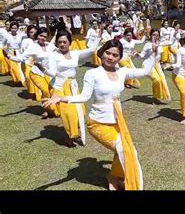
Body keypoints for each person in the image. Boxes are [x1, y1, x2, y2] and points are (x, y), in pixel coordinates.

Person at [43, 39, 158, 190]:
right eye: (108, 53)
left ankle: (113, 177)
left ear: (120, 57)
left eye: (115, 55)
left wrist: (154, 53)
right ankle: (127, 183)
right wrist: (62, 98)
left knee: (127, 150)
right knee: (124, 149)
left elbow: (145, 71)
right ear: (102, 53)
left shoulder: (122, 72)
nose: (110, 57)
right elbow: (84, 97)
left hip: (117, 122)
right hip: (98, 123)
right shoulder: (92, 73)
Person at [41, 29, 100, 146]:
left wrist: (99, 36)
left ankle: (69, 137)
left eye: (64, 42)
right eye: (59, 42)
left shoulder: (75, 53)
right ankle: (74, 135)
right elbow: (52, 73)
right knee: (69, 112)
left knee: (80, 110)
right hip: (58, 87)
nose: (62, 44)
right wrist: (43, 69)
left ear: (70, 42)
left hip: (72, 86)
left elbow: (91, 50)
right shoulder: (54, 55)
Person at [7, 27, 59, 118]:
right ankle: (47, 110)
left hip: (48, 73)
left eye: (45, 37)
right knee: (45, 90)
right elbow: (21, 58)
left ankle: (52, 108)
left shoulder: (50, 46)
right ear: (37, 35)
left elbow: (59, 53)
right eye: (41, 36)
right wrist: (9, 56)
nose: (43, 38)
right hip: (36, 73)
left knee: (52, 91)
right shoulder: (33, 47)